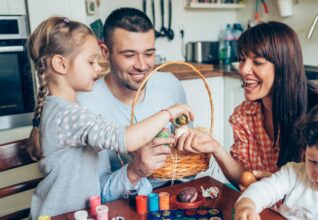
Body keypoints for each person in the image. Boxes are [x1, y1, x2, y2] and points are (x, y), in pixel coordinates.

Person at [26, 16, 193, 218]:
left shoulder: (62, 110)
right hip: (62, 215)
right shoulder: (70, 115)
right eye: (90, 61)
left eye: (149, 53)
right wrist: (168, 113)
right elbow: (125, 139)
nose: (98, 67)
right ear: (60, 64)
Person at [177, 21, 318, 187]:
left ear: (284, 67)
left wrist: (280, 187)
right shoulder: (244, 114)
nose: (243, 70)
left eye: (257, 62)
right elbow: (244, 177)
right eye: (242, 59)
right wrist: (215, 148)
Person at [77, 7, 188, 200]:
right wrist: (135, 170)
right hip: (123, 203)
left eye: (149, 53)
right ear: (105, 52)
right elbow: (97, 193)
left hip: (174, 196)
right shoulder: (85, 105)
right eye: (129, 55)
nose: (142, 65)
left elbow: (188, 163)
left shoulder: (170, 84)